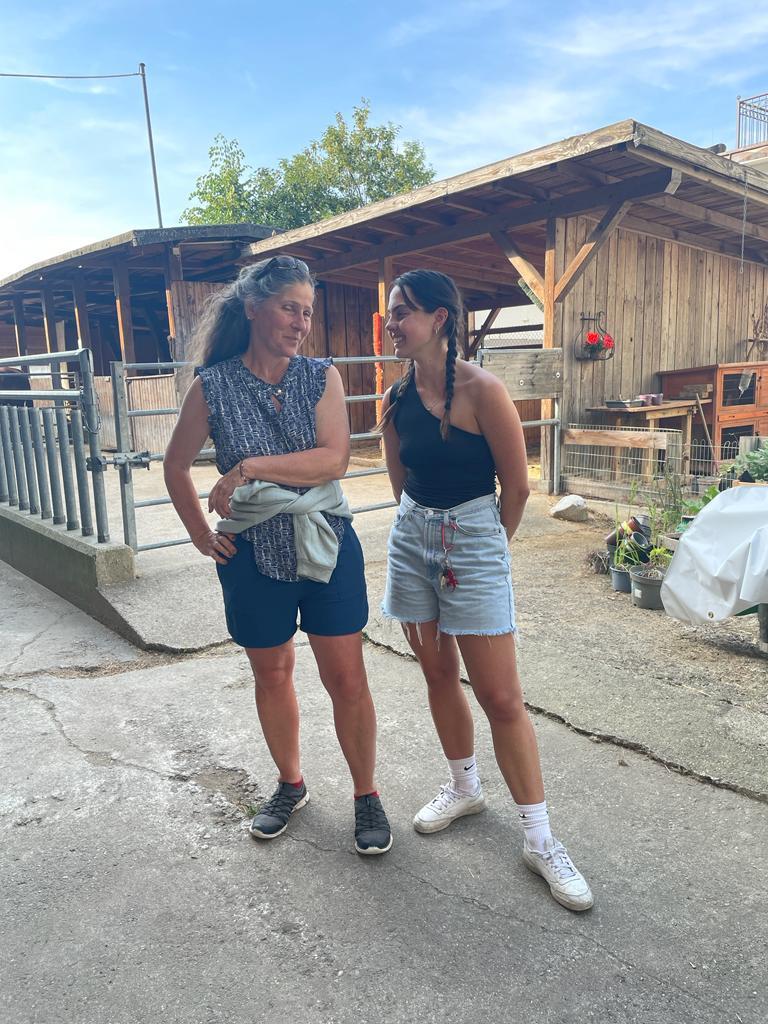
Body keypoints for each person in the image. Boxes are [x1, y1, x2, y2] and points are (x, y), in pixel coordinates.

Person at [164, 255, 392, 856]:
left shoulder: (322, 376)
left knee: (346, 677)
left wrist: (248, 467)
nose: (300, 322)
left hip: (324, 542)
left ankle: (366, 794)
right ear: (253, 308)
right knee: (272, 672)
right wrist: (197, 533)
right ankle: (291, 784)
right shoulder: (212, 385)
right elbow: (175, 465)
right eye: (290, 308)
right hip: (249, 552)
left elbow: (333, 460)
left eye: (307, 312)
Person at [379, 269, 592, 909]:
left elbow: (518, 486)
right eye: (391, 314)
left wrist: (484, 549)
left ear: (440, 319)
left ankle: (540, 839)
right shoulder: (394, 398)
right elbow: (399, 481)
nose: (392, 325)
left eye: (402, 313)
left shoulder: (483, 391)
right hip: (413, 537)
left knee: (502, 695)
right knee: (437, 674)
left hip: (473, 539)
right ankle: (464, 786)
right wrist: (423, 535)